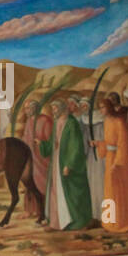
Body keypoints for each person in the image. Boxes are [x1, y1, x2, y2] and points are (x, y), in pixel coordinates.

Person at [92, 93, 128, 233]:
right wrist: (98, 144)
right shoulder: (106, 122)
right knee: (110, 190)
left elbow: (123, 143)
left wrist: (118, 162)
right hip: (110, 159)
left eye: (103, 107)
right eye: (100, 108)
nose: (101, 110)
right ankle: (110, 222)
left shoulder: (119, 122)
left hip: (120, 163)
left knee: (123, 191)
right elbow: (108, 143)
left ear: (109, 107)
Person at [43, 98, 91, 230]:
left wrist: (69, 165)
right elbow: (53, 141)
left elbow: (75, 146)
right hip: (56, 162)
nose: (53, 111)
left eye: (55, 109)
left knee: (72, 193)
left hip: (65, 163)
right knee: (55, 191)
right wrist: (42, 144)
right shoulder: (56, 122)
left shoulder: (71, 123)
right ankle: (57, 222)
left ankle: (76, 221)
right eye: (52, 109)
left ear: (62, 109)